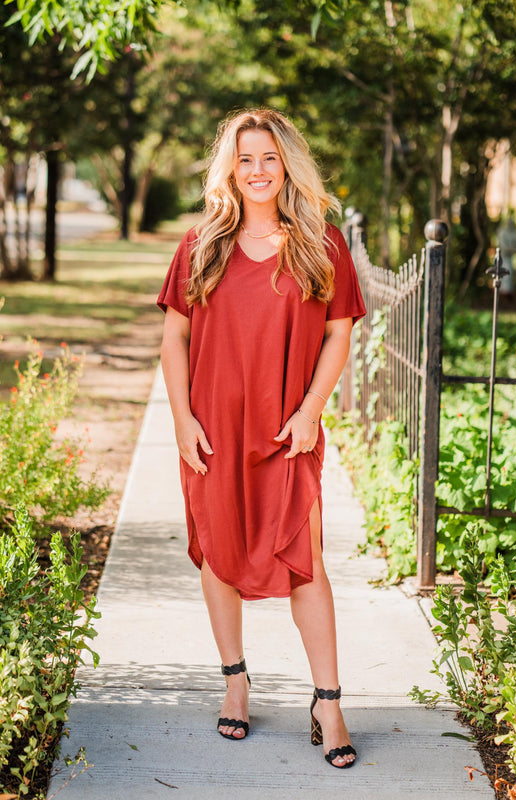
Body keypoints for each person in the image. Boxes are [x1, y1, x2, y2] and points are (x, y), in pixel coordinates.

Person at [157, 108, 366, 769]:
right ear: (228, 168)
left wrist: (309, 411)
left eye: (268, 158)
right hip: (212, 430)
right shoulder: (199, 246)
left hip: (286, 432)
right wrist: (181, 420)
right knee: (219, 555)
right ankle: (235, 683)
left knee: (302, 560)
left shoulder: (320, 244)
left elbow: (338, 332)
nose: (256, 170)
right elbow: (174, 336)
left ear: (286, 166)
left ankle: (327, 701)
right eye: (244, 158)